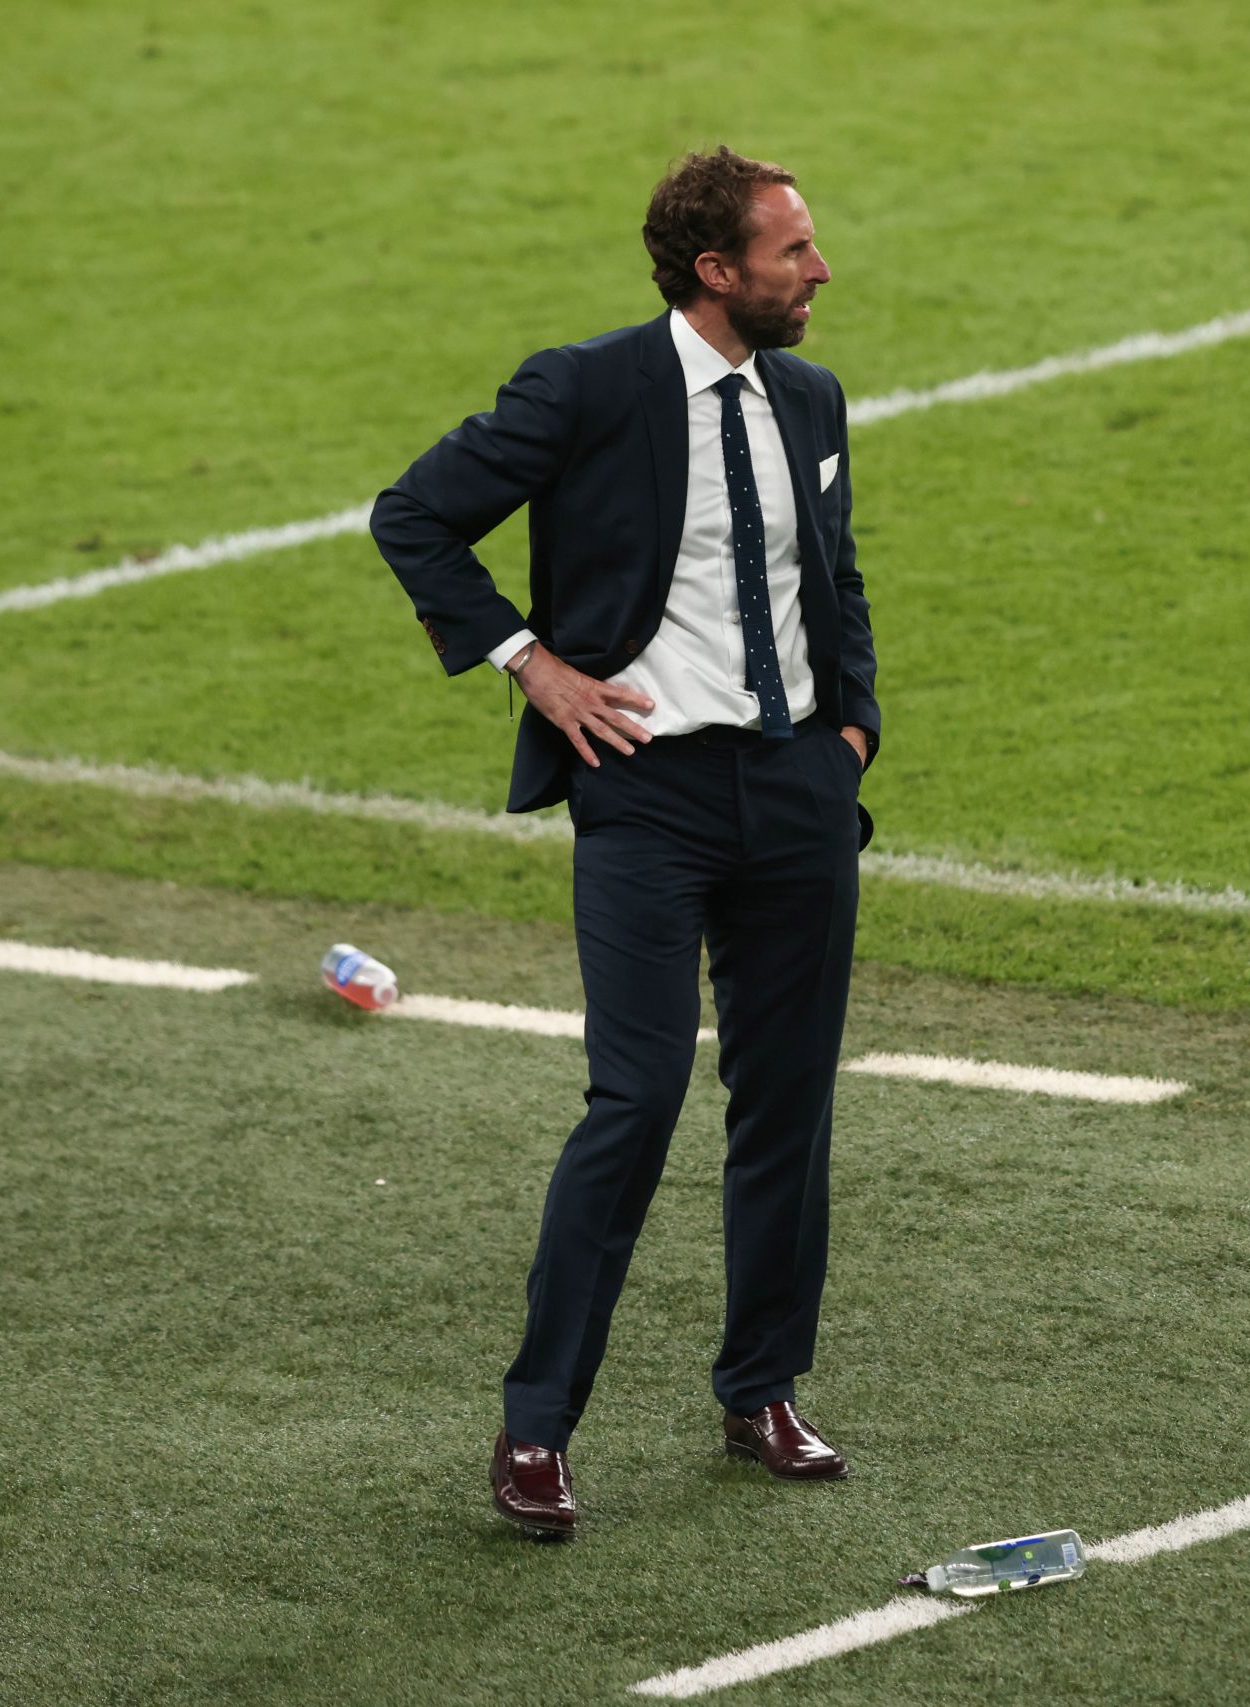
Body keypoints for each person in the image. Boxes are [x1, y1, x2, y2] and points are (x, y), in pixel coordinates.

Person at [370, 146, 881, 1540]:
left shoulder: (813, 397)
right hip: (645, 795)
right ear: (717, 273)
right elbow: (413, 517)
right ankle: (536, 1428)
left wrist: (851, 741)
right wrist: (532, 664)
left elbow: (833, 576)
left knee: (788, 1105)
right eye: (792, 252)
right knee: (639, 1097)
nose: (819, 271)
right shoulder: (586, 387)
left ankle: (762, 1388)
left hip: (795, 798)